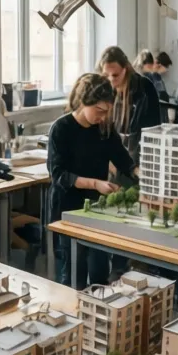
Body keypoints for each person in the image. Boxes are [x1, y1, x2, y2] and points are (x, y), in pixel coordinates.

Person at [47, 73, 137, 288]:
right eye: (99, 111)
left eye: (107, 112)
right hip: (68, 210)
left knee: (99, 273)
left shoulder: (104, 129)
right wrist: (96, 183)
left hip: (96, 211)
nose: (104, 117)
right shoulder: (61, 129)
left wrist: (146, 176)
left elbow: (123, 159)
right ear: (84, 101)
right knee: (73, 276)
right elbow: (59, 174)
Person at [97, 45, 161, 165]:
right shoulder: (105, 90)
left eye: (115, 75)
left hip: (139, 159)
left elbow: (148, 134)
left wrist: (132, 169)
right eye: (106, 75)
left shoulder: (144, 88)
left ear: (125, 69)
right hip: (113, 159)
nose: (111, 80)